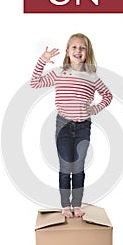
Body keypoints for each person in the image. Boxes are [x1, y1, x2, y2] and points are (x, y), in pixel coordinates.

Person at [30, 33, 113, 218]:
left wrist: (95, 108)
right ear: (67, 52)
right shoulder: (60, 73)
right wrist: (42, 60)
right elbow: (35, 83)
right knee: (65, 166)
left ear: (87, 52)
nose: (78, 51)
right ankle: (65, 206)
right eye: (74, 47)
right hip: (64, 127)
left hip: (83, 126)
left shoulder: (92, 77)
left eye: (82, 48)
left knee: (78, 167)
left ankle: (77, 204)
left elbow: (108, 96)